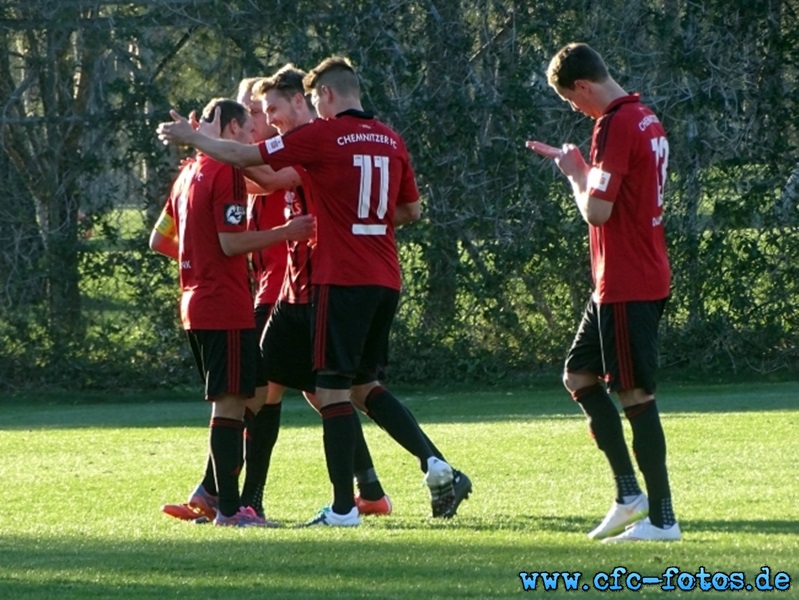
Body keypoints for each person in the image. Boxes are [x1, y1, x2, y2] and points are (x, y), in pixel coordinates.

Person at [157, 56, 472, 527]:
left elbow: (262, 174)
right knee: (333, 387)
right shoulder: (388, 136)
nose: (265, 120)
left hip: (323, 286)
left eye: (268, 109)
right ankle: (419, 471)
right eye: (255, 111)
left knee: (317, 390)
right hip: (356, 279)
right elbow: (410, 209)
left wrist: (203, 147)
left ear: (311, 99)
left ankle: (315, 504)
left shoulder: (317, 139)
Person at [526, 42, 680, 542]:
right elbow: (622, 191)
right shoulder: (646, 118)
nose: (576, 109)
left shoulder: (612, 123)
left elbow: (597, 211)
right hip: (623, 276)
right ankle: (627, 494)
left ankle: (662, 519)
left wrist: (574, 176)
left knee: (635, 394)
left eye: (572, 100)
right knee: (578, 375)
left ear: (584, 87)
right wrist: (585, 170)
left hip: (628, 280)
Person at [150, 97, 314, 527]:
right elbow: (230, 242)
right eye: (243, 133)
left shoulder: (188, 172)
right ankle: (228, 510)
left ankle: (214, 494)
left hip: (197, 301)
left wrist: (197, 261)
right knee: (230, 405)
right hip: (223, 303)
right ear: (227, 126)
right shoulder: (225, 170)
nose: (248, 142)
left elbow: (160, 240)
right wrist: (285, 231)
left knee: (246, 398)